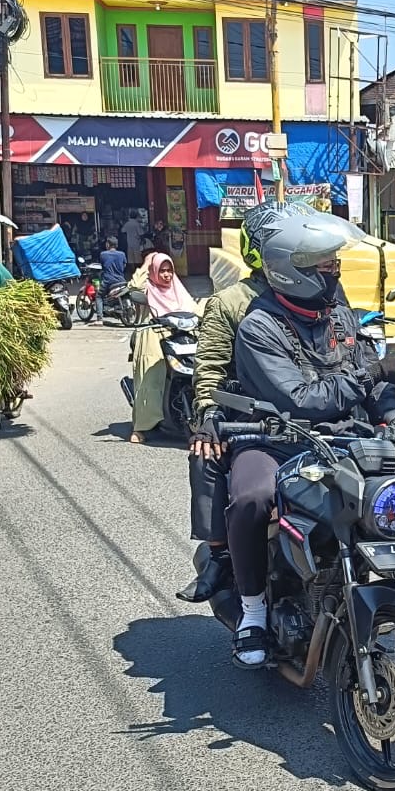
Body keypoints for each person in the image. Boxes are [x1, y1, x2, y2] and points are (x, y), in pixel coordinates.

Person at [223, 211, 395, 668]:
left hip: (340, 441)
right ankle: (253, 612)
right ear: (288, 270)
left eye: (333, 263)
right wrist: (376, 371)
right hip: (275, 439)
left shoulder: (339, 311)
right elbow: (300, 399)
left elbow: (371, 378)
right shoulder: (260, 326)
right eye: (323, 265)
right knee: (253, 499)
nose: (334, 271)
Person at [178, 200, 307, 608]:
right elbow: (210, 370)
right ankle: (220, 555)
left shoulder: (318, 291)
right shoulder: (231, 302)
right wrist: (210, 417)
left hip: (314, 416)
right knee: (209, 455)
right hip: (253, 419)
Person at [127, 252, 196, 444]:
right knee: (151, 376)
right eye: (162, 271)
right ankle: (141, 427)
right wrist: (148, 262)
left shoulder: (178, 289)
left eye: (169, 271)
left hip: (181, 334)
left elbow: (194, 309)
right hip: (154, 334)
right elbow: (133, 287)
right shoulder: (148, 288)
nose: (166, 275)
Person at [97, 236, 128, 319]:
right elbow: (124, 265)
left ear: (107, 244)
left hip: (108, 281)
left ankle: (99, 318)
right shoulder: (122, 254)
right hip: (121, 280)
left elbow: (102, 266)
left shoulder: (103, 254)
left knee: (99, 296)